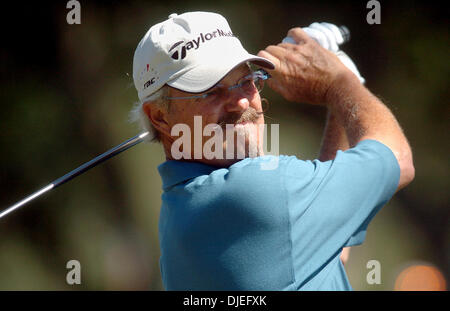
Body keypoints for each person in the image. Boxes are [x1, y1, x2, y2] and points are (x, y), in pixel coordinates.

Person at [131, 11, 414, 290]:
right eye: (211, 91)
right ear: (159, 117)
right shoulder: (256, 192)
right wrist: (338, 82)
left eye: (246, 81)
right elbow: (397, 160)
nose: (241, 103)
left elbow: (323, 247)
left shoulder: (180, 204)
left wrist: (340, 97)